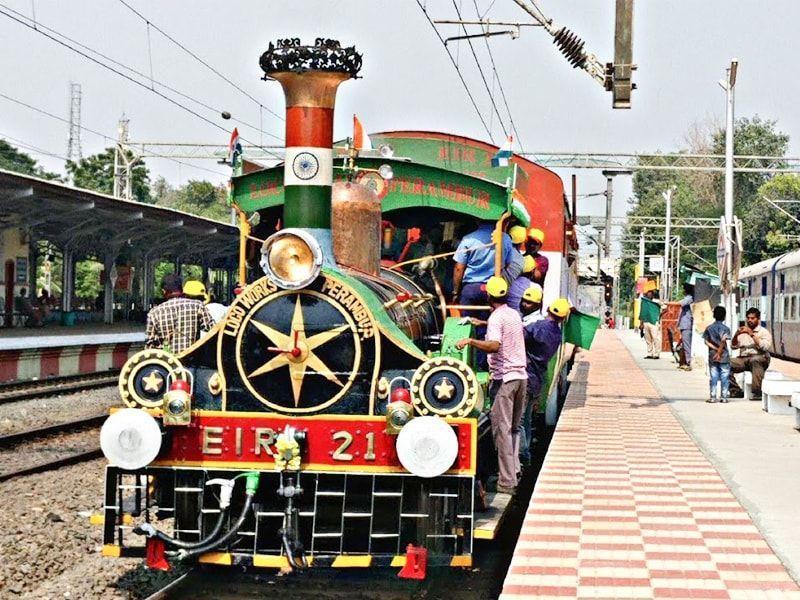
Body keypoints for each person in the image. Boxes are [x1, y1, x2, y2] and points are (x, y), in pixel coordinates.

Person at [455, 276, 526, 496]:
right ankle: (514, 471)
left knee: (502, 432)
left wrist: (471, 341)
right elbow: (507, 331)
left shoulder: (496, 317)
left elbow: (495, 345)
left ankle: (506, 482)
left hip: (504, 380)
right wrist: (482, 323)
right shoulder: (513, 314)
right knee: (513, 430)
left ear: (488, 296)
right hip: (521, 377)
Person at [518, 297, 568, 466]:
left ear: (547, 309)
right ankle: (526, 455)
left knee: (518, 421)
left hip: (527, 375)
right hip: (538, 379)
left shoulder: (539, 327)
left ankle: (522, 456)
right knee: (527, 419)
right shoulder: (557, 335)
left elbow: (518, 335)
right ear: (563, 318)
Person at [146, 273, 214, 354]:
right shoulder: (198, 306)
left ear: (164, 291)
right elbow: (211, 329)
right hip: (192, 360)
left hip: (167, 363)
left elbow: (150, 345)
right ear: (182, 289)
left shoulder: (154, 313)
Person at [728, 307, 773, 400]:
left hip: (760, 357)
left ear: (758, 319)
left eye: (752, 318)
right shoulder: (742, 331)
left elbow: (764, 347)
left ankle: (757, 392)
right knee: (724, 363)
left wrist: (751, 334)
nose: (750, 320)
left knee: (755, 360)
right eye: (748, 318)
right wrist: (736, 334)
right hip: (744, 359)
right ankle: (735, 390)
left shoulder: (764, 332)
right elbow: (733, 346)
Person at [703, 305, 731, 403]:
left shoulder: (709, 328)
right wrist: (720, 351)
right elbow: (723, 340)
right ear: (724, 316)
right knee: (725, 376)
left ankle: (713, 397)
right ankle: (723, 397)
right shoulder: (726, 329)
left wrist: (715, 349)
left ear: (714, 315)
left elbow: (706, 341)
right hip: (724, 355)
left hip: (712, 355)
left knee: (713, 376)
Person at [639, 281, 662, 359]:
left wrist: (659, 316)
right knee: (648, 339)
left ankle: (657, 354)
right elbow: (642, 312)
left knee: (656, 338)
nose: (649, 294)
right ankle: (650, 353)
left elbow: (665, 307)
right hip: (646, 321)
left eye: (650, 292)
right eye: (648, 292)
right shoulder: (644, 301)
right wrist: (641, 323)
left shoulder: (656, 302)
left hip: (654, 322)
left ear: (652, 293)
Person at [677, 283, 695, 370]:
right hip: (684, 324)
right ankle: (685, 361)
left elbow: (679, 304)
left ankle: (689, 362)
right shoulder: (688, 298)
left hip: (687, 324)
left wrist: (665, 303)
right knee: (685, 344)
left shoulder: (689, 298)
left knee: (687, 344)